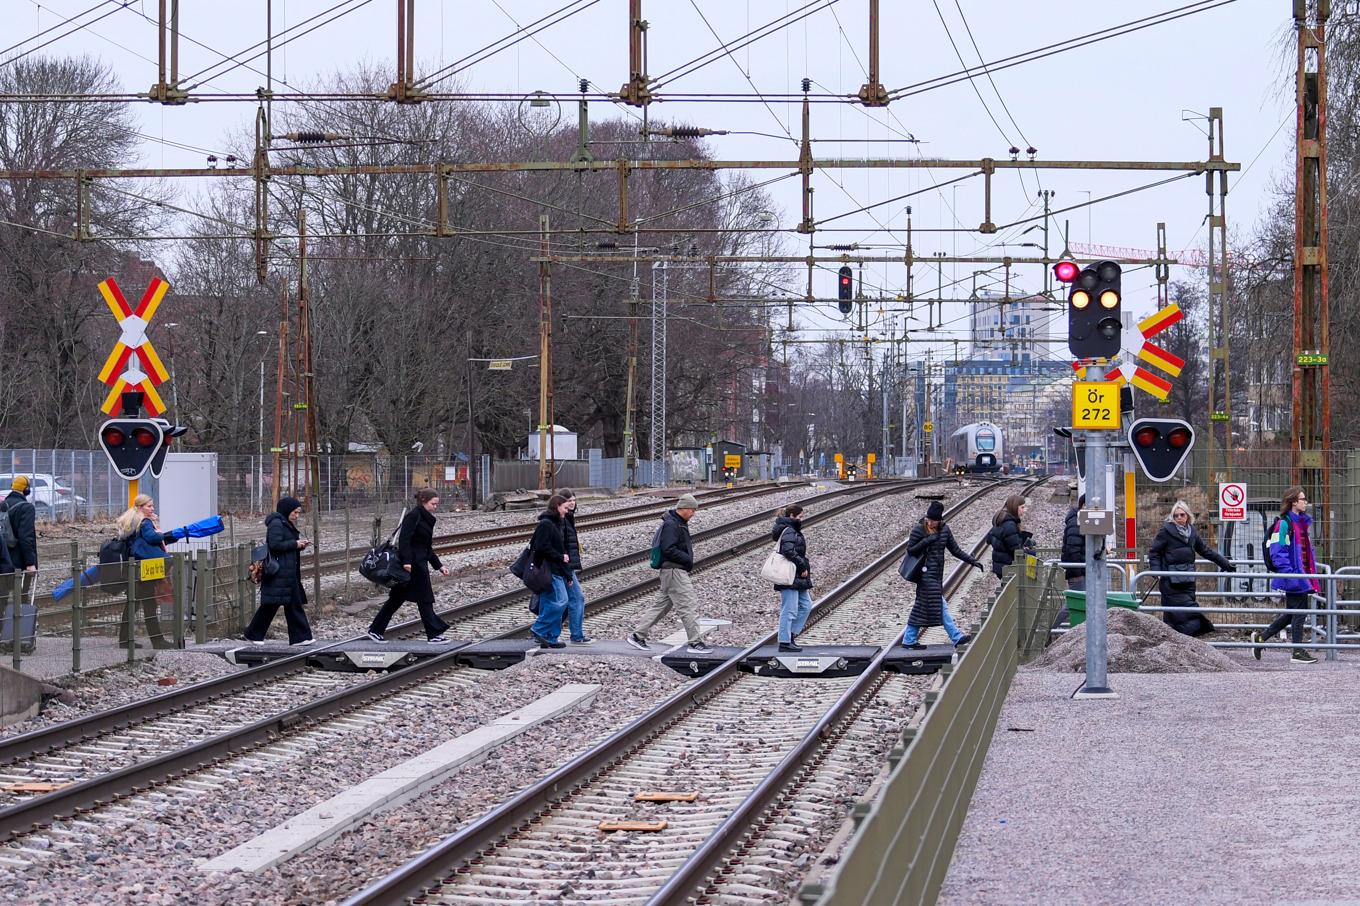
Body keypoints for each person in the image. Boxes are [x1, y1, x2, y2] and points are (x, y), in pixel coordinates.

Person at [367, 488, 452, 644]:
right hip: (412, 566)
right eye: (433, 504)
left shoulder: (426, 518)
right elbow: (404, 541)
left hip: (419, 564)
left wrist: (439, 565)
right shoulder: (413, 516)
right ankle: (433, 634)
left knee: (397, 599)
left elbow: (426, 546)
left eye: (436, 504)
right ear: (424, 501)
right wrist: (407, 562)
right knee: (424, 599)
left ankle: (375, 630)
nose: (435, 507)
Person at [628, 494, 710, 653]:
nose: (694, 513)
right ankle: (695, 642)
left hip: (671, 572)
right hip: (674, 571)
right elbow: (668, 549)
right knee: (688, 604)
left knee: (661, 606)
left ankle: (637, 636)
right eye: (692, 510)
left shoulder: (677, 523)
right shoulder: (672, 525)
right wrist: (687, 559)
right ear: (684, 508)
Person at [902, 499, 984, 648]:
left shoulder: (945, 530)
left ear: (940, 520)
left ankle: (909, 639)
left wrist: (972, 561)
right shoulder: (919, 529)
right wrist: (927, 541)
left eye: (933, 521)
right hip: (924, 574)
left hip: (936, 575)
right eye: (928, 519)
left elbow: (955, 550)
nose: (930, 523)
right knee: (940, 605)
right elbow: (911, 550)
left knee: (922, 606)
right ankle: (956, 636)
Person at [1147, 500, 1235, 638]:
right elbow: (1154, 552)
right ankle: (1180, 640)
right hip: (1170, 580)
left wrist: (1222, 562)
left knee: (1178, 614)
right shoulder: (1166, 531)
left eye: (1182, 515)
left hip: (1187, 579)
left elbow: (1205, 550)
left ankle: (1176, 642)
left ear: (1187, 515)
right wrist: (1157, 571)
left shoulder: (1192, 532)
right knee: (1181, 612)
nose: (1179, 518)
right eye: (1176, 515)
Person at [1252, 487, 1320, 665]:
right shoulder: (1284, 524)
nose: (1305, 502)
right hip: (1294, 576)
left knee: (1292, 613)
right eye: (1302, 499)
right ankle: (1297, 651)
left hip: (1301, 575)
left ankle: (1260, 639)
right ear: (1293, 502)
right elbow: (1278, 551)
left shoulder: (1301, 524)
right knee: (1299, 612)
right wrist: (1290, 574)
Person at [245, 496, 317, 646]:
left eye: (298, 513)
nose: (297, 516)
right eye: (295, 512)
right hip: (279, 572)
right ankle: (254, 634)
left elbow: (285, 545)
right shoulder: (277, 523)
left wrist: (300, 545)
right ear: (287, 510)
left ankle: (300, 638)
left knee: (291, 605)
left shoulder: (284, 522)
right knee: (271, 605)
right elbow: (275, 545)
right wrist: (295, 544)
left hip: (286, 572)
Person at [114, 494, 174, 649]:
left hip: (131, 568)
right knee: (149, 604)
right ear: (140, 507)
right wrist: (167, 534)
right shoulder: (144, 522)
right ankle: (157, 641)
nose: (152, 509)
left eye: (152, 506)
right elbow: (151, 538)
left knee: (132, 605)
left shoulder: (130, 521)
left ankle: (125, 640)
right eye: (149, 506)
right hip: (143, 570)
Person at [525, 494, 573, 649]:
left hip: (555, 569)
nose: (567, 511)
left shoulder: (557, 523)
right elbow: (542, 547)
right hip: (549, 570)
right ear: (557, 506)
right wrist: (561, 557)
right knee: (561, 602)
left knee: (548, 603)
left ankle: (551, 638)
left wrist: (567, 573)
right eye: (565, 508)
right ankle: (539, 628)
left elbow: (559, 548)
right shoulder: (546, 524)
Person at [772, 504, 813, 653]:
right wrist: (802, 566)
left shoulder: (791, 529)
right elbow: (788, 550)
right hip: (789, 575)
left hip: (796, 576)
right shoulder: (789, 530)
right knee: (789, 609)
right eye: (800, 517)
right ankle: (784, 641)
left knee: (806, 605)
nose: (802, 519)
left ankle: (790, 635)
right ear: (792, 516)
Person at [558, 489, 593, 646]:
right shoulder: (563, 519)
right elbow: (561, 545)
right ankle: (576, 635)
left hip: (565, 566)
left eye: (574, 499)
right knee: (576, 598)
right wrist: (567, 568)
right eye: (568, 500)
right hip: (564, 566)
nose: (572, 502)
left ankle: (546, 632)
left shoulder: (568, 517)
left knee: (562, 600)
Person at [988, 494, 1033, 580]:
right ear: (1015, 507)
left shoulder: (1001, 519)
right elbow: (1016, 551)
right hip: (1008, 566)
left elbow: (989, 539)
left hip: (1001, 566)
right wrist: (1031, 552)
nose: (1025, 510)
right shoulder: (1009, 524)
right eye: (1022, 508)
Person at [3, 476, 38, 576]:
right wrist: (30, 563)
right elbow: (26, 537)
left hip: (3, 559)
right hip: (19, 562)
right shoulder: (27, 508)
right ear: (26, 489)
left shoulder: (3, 504)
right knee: (20, 591)